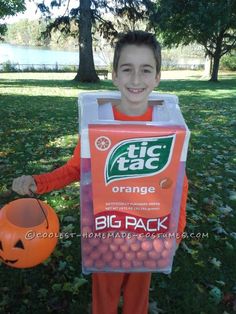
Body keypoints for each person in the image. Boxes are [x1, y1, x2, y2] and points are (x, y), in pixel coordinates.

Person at [12, 30, 188, 314]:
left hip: (147, 231)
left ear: (157, 77)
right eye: (127, 69)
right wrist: (37, 182)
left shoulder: (167, 127)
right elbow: (74, 169)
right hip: (106, 232)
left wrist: (176, 233)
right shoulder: (98, 123)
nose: (135, 79)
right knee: (104, 299)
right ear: (114, 75)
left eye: (146, 70)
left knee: (137, 300)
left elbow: (180, 184)